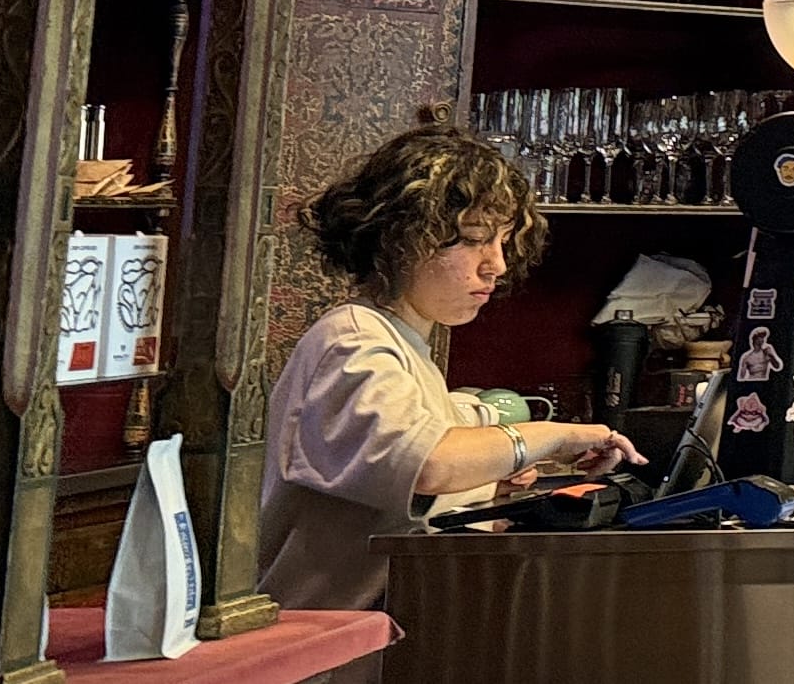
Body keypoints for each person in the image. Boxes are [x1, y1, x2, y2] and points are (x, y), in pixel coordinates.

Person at [259, 125, 641, 610]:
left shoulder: (402, 342)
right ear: (401, 238)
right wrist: (551, 436)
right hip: (323, 653)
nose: (496, 265)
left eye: (503, 241)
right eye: (475, 239)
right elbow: (430, 463)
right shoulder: (354, 342)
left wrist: (497, 474)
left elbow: (398, 482)